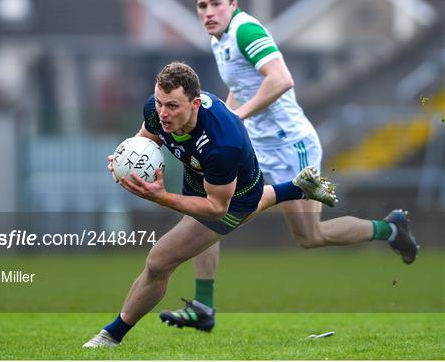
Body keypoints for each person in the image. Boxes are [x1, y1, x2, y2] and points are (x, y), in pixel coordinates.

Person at [158, 0, 419, 332]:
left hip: (292, 145)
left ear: (232, 4)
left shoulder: (245, 31)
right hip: (260, 147)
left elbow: (281, 79)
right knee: (219, 217)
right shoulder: (220, 41)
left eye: (216, 3)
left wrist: (233, 120)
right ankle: (204, 305)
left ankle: (389, 229)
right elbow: (240, 87)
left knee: (295, 233)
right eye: (202, 5)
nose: (208, 11)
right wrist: (226, 118)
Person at [83, 61, 337, 347]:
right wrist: (127, 159)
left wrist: (161, 197)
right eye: (159, 102)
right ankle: (296, 187)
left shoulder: (221, 144)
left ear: (195, 104)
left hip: (235, 199)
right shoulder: (156, 111)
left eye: (173, 106)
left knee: (159, 260)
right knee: (174, 248)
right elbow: (146, 139)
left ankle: (111, 336)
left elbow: (217, 208)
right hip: (197, 176)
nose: (163, 113)